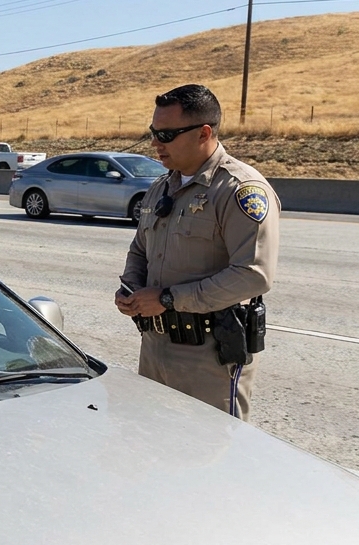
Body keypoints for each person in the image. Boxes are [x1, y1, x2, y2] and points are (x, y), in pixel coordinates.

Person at [115, 84, 279, 420]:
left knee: (210, 457)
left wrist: (169, 299)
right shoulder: (162, 187)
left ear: (204, 132)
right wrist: (131, 289)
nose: (155, 143)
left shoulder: (238, 189)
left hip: (209, 357)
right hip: (155, 347)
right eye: (153, 132)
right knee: (152, 444)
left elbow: (253, 275)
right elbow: (140, 250)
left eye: (167, 134)